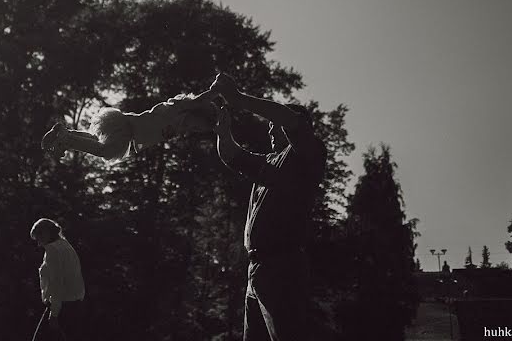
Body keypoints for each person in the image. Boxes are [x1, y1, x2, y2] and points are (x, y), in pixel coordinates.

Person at [210, 73, 326, 341]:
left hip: (283, 267)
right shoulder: (269, 162)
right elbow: (230, 156)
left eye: (276, 125)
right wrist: (222, 128)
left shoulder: (308, 154)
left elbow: (290, 120)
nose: (271, 130)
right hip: (257, 271)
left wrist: (238, 98)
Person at [41, 90, 217, 162]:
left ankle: (65, 133)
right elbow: (198, 101)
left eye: (197, 131)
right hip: (127, 127)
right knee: (107, 152)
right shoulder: (177, 109)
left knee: (97, 140)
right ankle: (66, 140)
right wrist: (217, 90)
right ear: (196, 113)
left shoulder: (179, 127)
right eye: (197, 126)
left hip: (126, 127)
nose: (193, 130)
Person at [30, 218, 85, 341]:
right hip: (75, 303)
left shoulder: (52, 250)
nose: (39, 244)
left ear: (45, 234)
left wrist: (54, 313)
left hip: (62, 305)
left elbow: (56, 284)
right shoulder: (66, 246)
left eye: (38, 239)